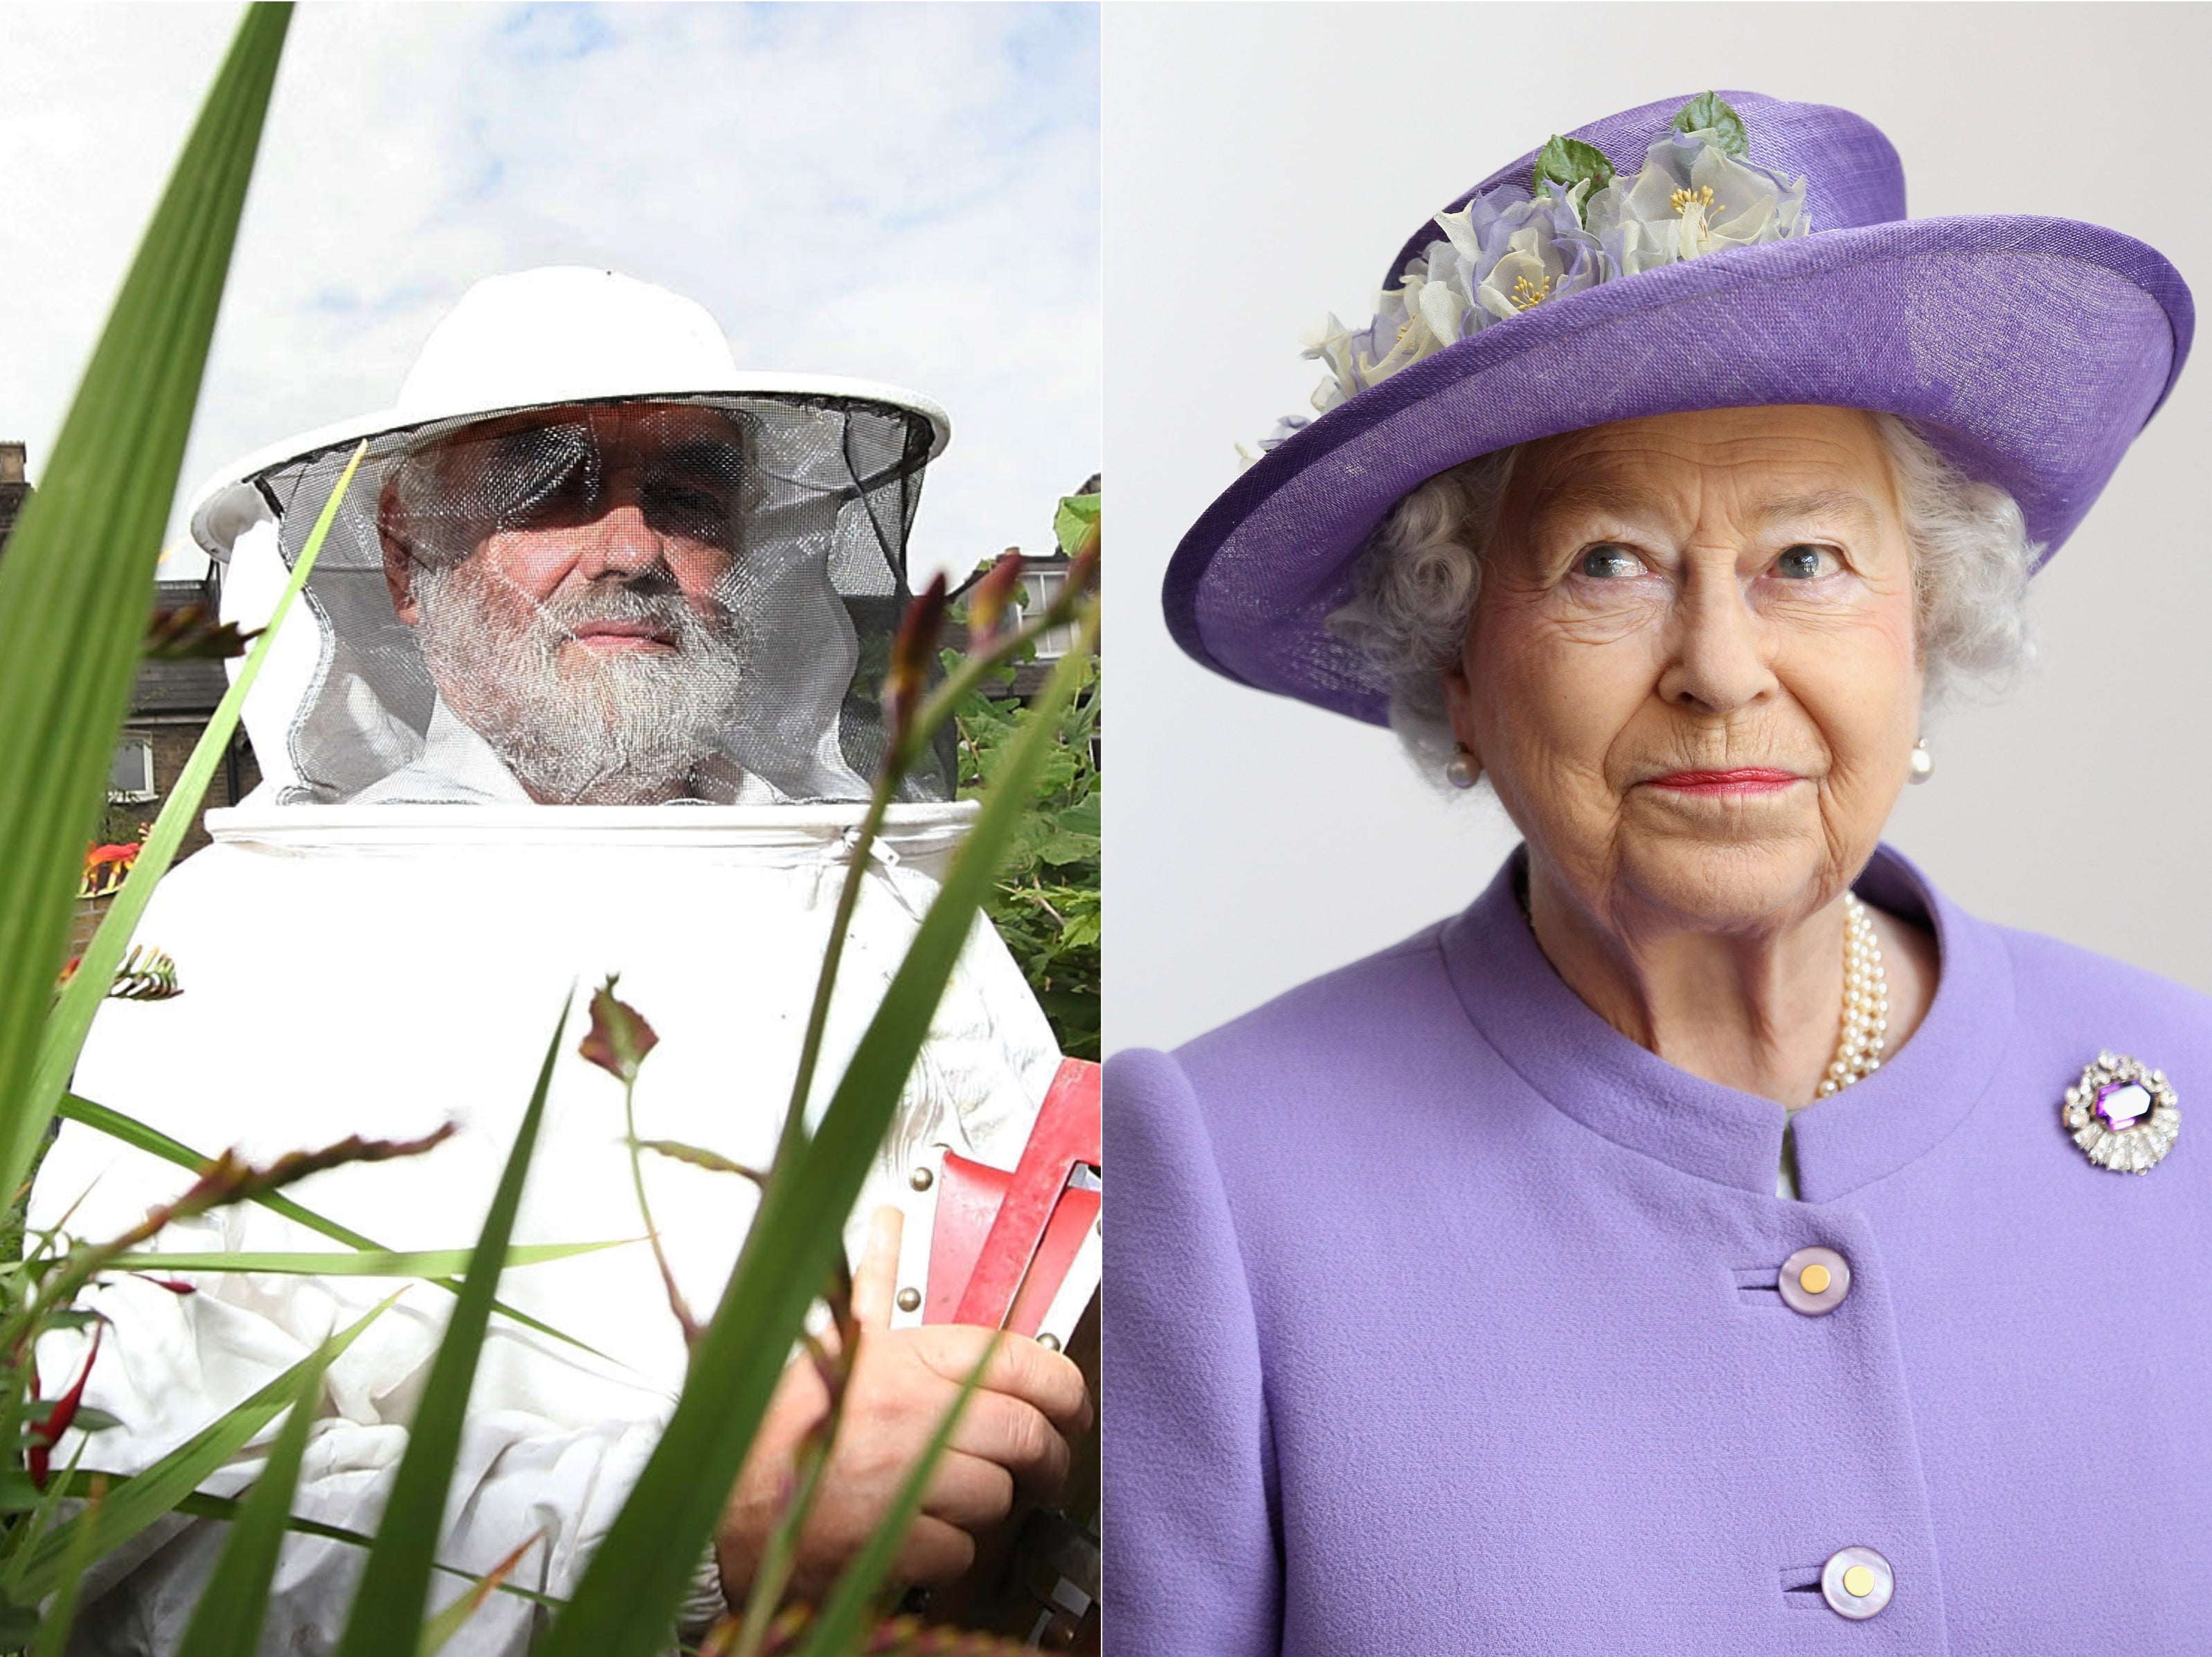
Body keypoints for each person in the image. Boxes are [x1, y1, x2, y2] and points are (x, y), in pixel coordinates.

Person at [1106, 91, 2209, 1654]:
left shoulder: (2193, 1092)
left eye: (1805, 561)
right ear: (1462, 674)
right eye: (1606, 562)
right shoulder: (1220, 1173)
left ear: (1925, 627)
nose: (1718, 667)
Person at [34, 269, 1088, 1653]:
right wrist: (696, 1519)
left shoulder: (881, 908)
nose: (631, 546)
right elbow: (125, 1522)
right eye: (548, 481)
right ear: (407, 560)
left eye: (692, 494)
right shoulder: (239, 941)